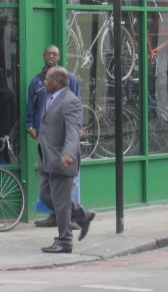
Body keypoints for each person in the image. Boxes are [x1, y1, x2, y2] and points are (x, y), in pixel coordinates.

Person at [37, 66, 96, 254]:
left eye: (47, 79)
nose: (43, 82)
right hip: (48, 159)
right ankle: (83, 214)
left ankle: (64, 241)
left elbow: (73, 130)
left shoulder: (71, 101)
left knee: (61, 202)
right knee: (46, 197)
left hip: (63, 159)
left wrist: (69, 152)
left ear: (57, 82)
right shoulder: (50, 97)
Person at [26, 44, 82, 228]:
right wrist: (30, 125)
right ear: (43, 56)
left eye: (55, 54)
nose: (51, 56)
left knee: (68, 182)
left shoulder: (69, 79)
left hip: (63, 140)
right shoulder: (36, 81)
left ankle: (71, 219)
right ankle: (57, 216)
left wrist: (69, 149)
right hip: (46, 140)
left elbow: (76, 106)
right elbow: (31, 107)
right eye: (49, 53)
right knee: (48, 185)